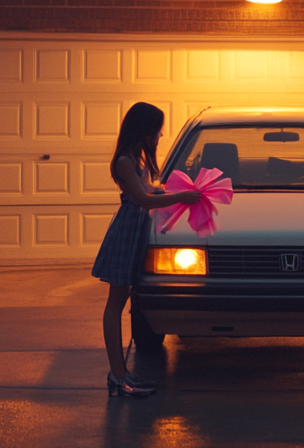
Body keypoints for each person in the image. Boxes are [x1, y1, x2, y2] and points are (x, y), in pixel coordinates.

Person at [92, 102, 200, 397]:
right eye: (157, 130)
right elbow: (144, 200)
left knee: (123, 301)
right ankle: (117, 375)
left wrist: (177, 191)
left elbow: (151, 191)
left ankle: (121, 373)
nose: (160, 136)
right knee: (115, 305)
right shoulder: (125, 161)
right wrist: (182, 196)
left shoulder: (135, 158)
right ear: (143, 129)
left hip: (136, 230)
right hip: (127, 232)